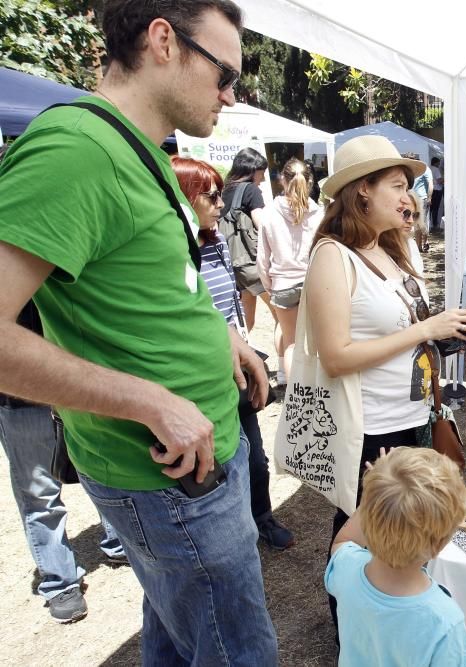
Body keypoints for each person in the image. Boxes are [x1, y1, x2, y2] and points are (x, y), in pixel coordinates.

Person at [0, 1, 278, 663]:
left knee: (179, 640)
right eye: (224, 74)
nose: (231, 95)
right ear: (163, 41)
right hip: (169, 478)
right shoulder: (73, 150)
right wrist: (151, 401)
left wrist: (222, 337)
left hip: (197, 463)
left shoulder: (136, 147)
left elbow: (158, 279)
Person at [303, 135, 466, 622]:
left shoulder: (394, 249)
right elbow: (335, 356)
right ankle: (358, 631)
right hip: (371, 427)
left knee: (410, 526)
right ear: (363, 191)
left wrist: (448, 329)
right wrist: (427, 328)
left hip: (414, 416)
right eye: (399, 185)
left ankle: (403, 620)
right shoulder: (332, 256)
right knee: (363, 532)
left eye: (411, 187)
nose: (411, 197)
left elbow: (404, 330)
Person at [172, 156, 295, 551]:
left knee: (255, 457)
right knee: (223, 462)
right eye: (210, 195)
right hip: (202, 375)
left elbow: (233, 306)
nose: (221, 203)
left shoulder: (218, 241)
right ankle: (235, 530)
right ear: (184, 197)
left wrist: (246, 350)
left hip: (237, 368)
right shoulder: (171, 254)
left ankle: (262, 519)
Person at [1, 306, 128, 625]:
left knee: (100, 465)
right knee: (39, 495)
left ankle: (119, 540)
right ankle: (60, 582)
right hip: (21, 398)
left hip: (77, 383)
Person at [325, 447, 466, 666]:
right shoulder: (443, 622)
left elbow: (342, 541)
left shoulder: (347, 569)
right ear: (439, 545)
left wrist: (375, 495)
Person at [258, 157, 323, 382]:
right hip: (314, 283)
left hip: (283, 285)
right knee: (316, 341)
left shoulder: (269, 213)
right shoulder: (319, 214)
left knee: (291, 343)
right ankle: (316, 389)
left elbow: (262, 259)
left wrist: (271, 286)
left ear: (282, 180)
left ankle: (295, 394)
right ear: (311, 181)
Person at [222, 146, 276, 333]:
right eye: (262, 172)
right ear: (252, 170)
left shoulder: (225, 189)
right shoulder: (250, 190)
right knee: (282, 315)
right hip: (251, 264)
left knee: (245, 319)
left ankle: (239, 355)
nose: (263, 178)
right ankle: (285, 361)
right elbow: (261, 223)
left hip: (232, 263)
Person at [410, 153, 434, 229]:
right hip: (411, 198)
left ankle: (424, 240)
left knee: (421, 222)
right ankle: (419, 240)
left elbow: (430, 184)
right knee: (415, 222)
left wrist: (429, 198)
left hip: (421, 199)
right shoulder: (411, 169)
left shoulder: (425, 169)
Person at [429, 156, 444, 236]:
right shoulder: (436, 169)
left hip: (431, 190)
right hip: (437, 190)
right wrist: (445, 179)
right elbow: (439, 180)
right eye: (438, 163)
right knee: (435, 209)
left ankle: (430, 225)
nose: (439, 164)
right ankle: (434, 225)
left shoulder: (429, 168)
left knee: (430, 209)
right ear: (436, 163)